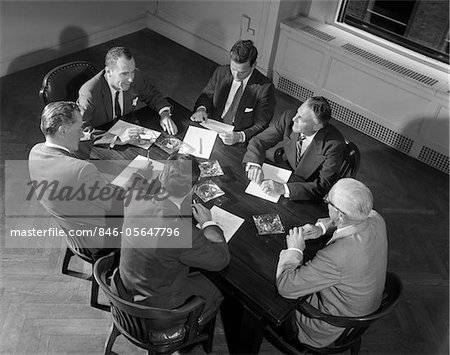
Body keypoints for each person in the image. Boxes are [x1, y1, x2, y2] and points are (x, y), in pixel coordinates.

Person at [28, 101, 150, 259]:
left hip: (72, 228)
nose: (81, 134)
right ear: (63, 130)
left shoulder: (35, 152)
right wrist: (136, 178)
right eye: (79, 129)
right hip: (99, 240)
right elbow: (117, 203)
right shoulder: (81, 170)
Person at [276, 178, 388, 348]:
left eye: (328, 201)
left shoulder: (337, 256)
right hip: (365, 308)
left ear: (340, 214)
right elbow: (353, 221)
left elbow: (286, 287)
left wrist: (295, 250)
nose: (326, 201)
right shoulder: (376, 218)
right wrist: (321, 228)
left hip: (335, 323)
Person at [119, 153, 230, 318]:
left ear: (161, 177)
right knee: (222, 287)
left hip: (127, 284)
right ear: (193, 188)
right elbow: (221, 260)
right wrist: (208, 224)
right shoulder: (182, 232)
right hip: (159, 306)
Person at [242, 96, 346, 200]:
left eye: (301, 118)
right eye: (297, 112)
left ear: (316, 127)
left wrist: (283, 188)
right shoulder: (288, 118)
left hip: (306, 192)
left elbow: (323, 185)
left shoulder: (334, 144)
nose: (294, 118)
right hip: (286, 172)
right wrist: (254, 165)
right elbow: (259, 141)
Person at [190, 40, 275, 145]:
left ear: (253, 66)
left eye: (242, 72)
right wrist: (201, 109)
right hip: (212, 126)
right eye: (233, 69)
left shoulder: (265, 88)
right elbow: (206, 96)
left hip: (239, 137)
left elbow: (261, 124)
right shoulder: (221, 72)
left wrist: (240, 136)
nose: (236, 76)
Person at [78, 46, 178, 135]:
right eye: (124, 74)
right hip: (103, 140)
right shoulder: (89, 92)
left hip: (128, 128)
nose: (130, 79)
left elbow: (151, 95)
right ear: (108, 71)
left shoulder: (136, 76)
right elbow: (82, 130)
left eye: (132, 72)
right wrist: (115, 139)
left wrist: (164, 114)